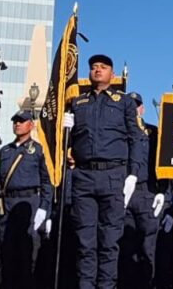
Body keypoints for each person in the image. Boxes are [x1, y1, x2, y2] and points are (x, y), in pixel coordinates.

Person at [64, 53, 148, 289]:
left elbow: (136, 138)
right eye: (93, 67)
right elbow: (67, 145)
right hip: (84, 176)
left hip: (113, 175)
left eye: (102, 67)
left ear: (112, 74)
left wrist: (133, 174)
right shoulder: (77, 103)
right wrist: (63, 132)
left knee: (110, 242)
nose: (97, 70)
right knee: (85, 242)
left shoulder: (124, 102)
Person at [0, 110, 51, 289]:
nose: (17, 124)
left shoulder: (38, 150)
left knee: (28, 256)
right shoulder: (4, 151)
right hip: (8, 207)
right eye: (15, 121)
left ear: (31, 125)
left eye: (21, 121)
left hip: (30, 203)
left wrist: (44, 208)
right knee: (6, 254)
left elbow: (46, 181)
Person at [119, 91, 164, 288]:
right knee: (124, 245)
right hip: (122, 192)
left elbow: (164, 162)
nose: (133, 109)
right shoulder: (117, 133)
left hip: (147, 192)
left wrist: (163, 190)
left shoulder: (154, 133)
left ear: (142, 109)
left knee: (148, 246)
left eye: (136, 105)